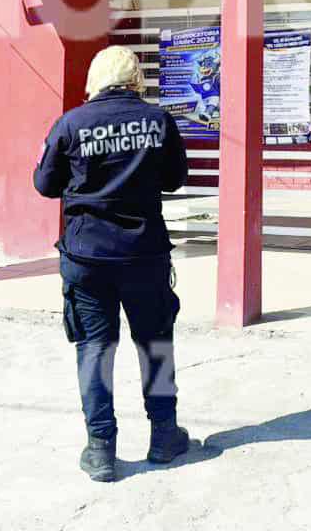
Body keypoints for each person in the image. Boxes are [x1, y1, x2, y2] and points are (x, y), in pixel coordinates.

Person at [33, 45, 192, 482]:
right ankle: (164, 435)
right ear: (136, 78)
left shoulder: (71, 124)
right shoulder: (158, 122)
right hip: (145, 254)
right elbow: (176, 179)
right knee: (155, 343)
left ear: (95, 80)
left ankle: (101, 448)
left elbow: (45, 184)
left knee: (95, 348)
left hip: (87, 257)